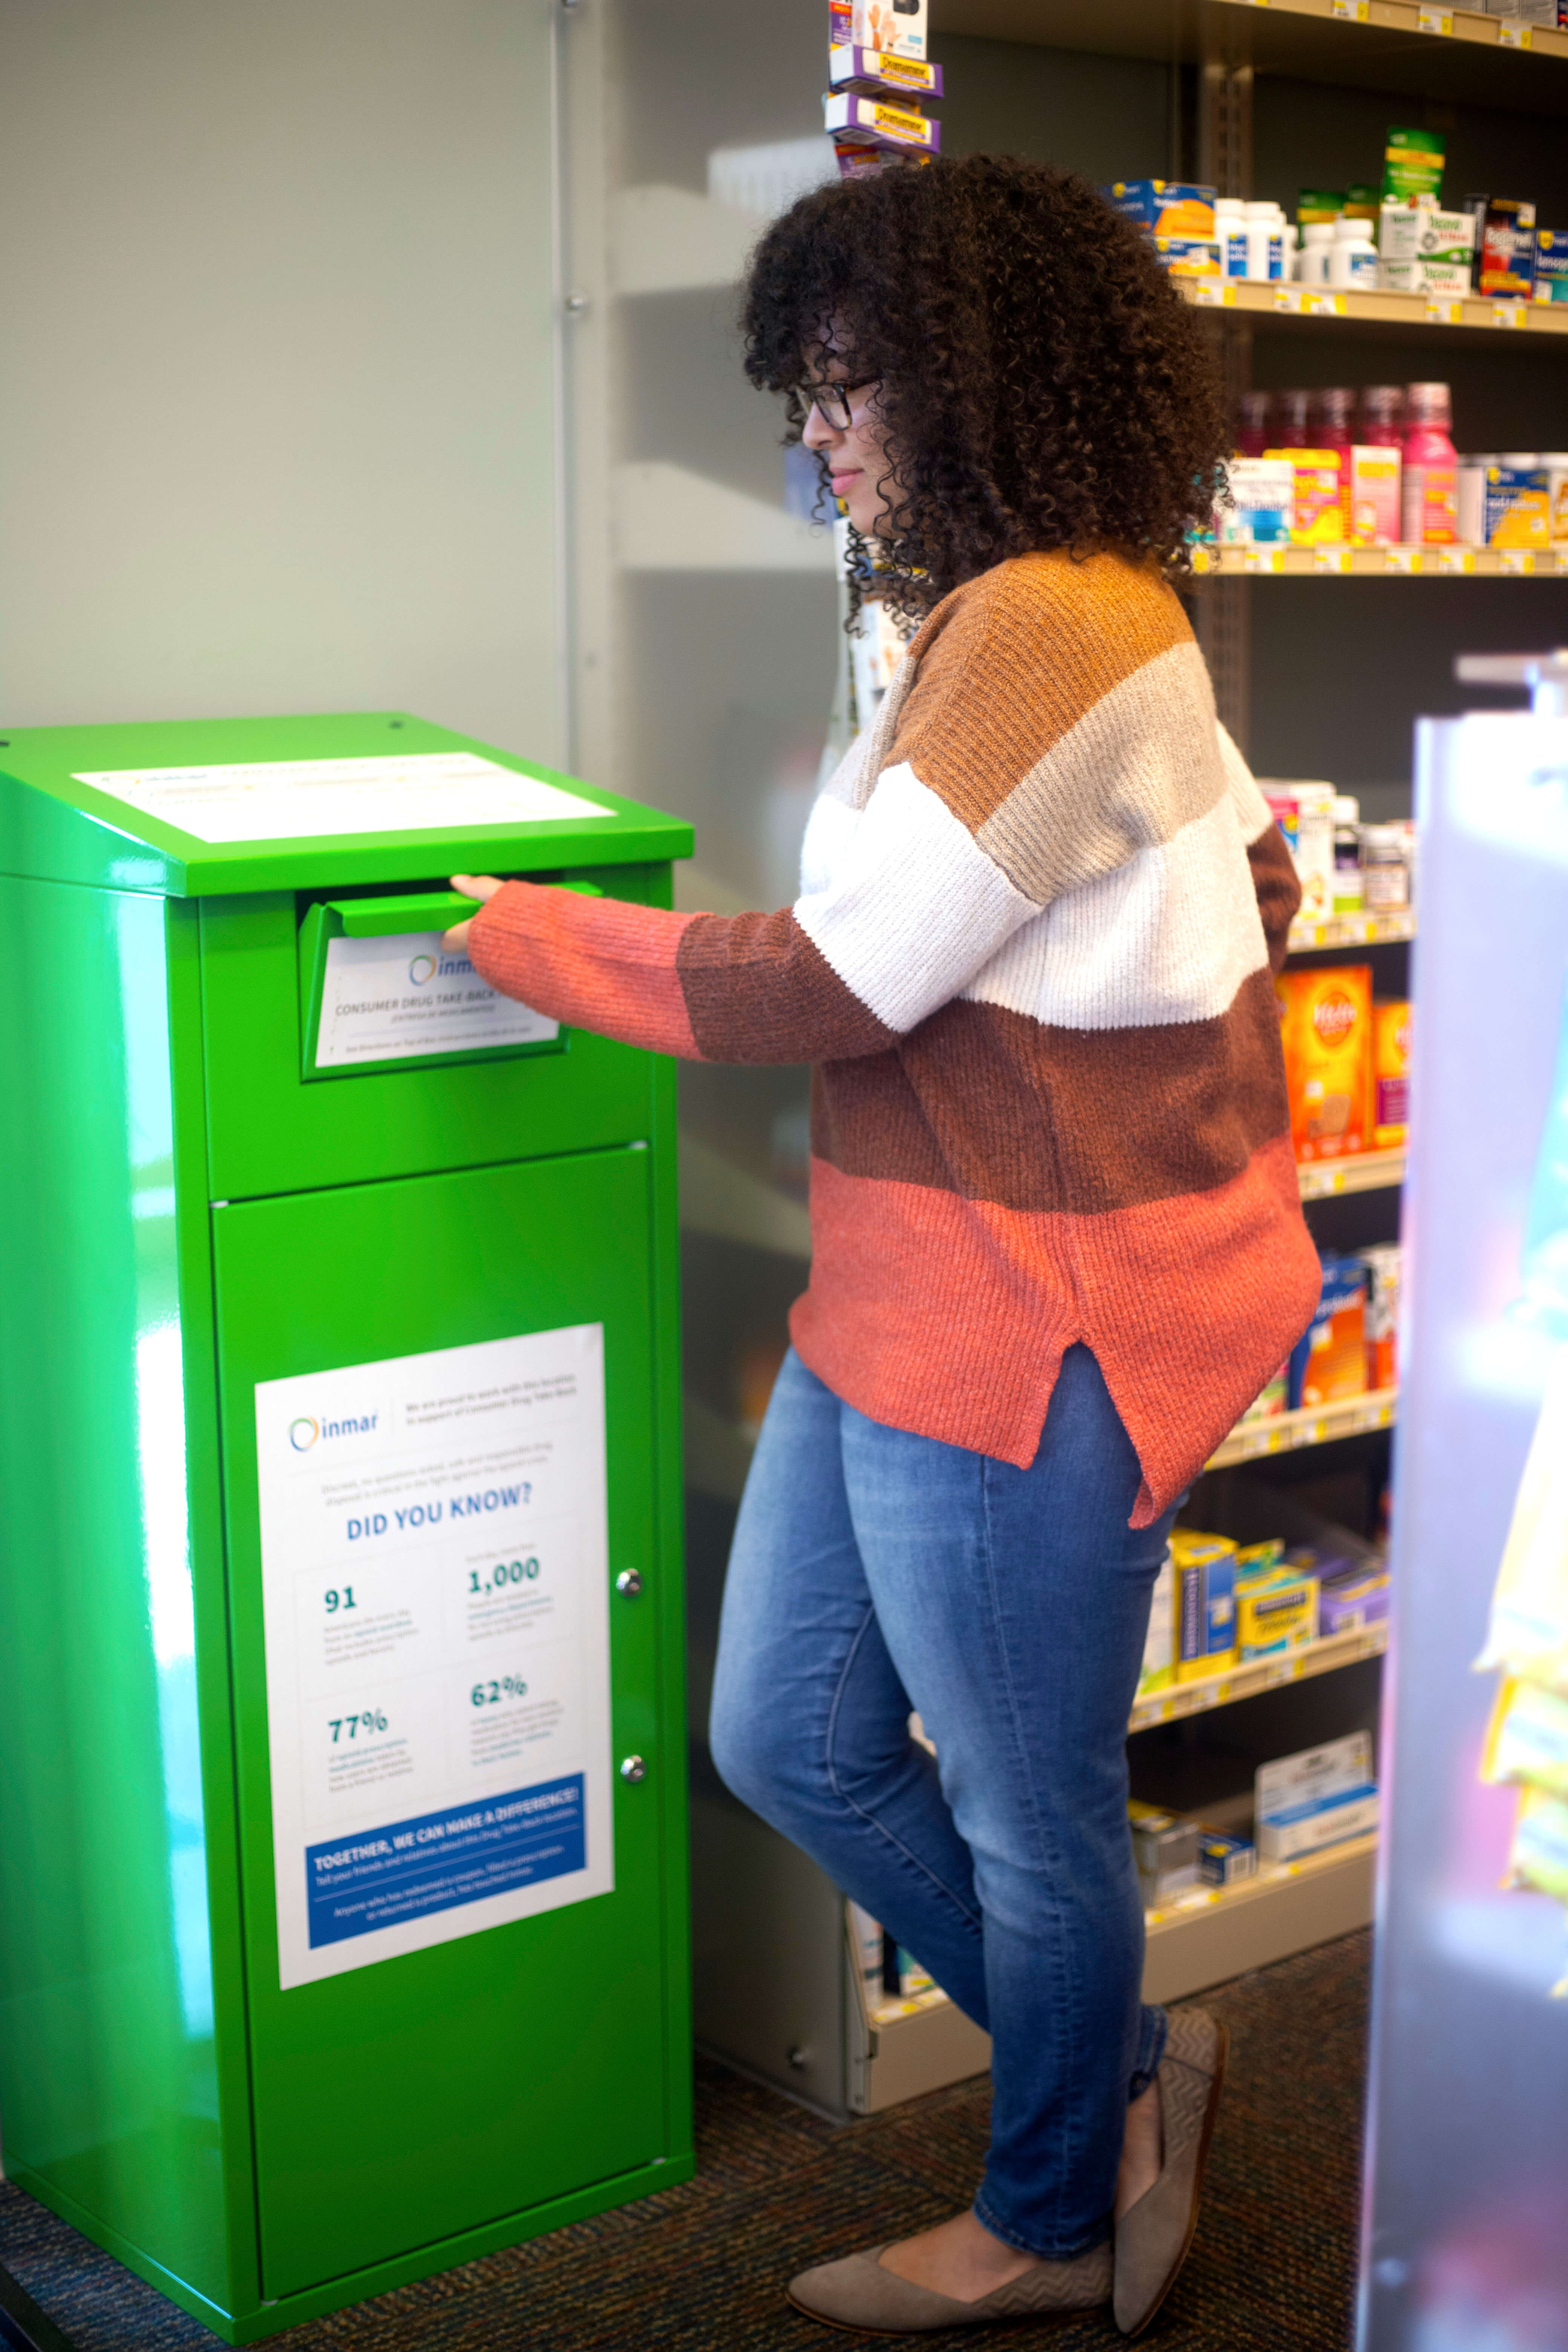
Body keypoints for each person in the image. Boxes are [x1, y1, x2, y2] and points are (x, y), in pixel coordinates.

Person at [445, 154, 1319, 2339]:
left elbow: (837, 981)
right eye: (803, 395)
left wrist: (530, 942)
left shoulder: (1049, 623)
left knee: (1030, 1830)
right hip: (905, 1301)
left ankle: (1044, 2215)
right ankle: (1117, 2076)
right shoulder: (1030, 610)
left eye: (851, 390)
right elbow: (1237, 901)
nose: (820, 435)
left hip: (1039, 1330)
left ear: (978, 383)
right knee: (787, 1741)